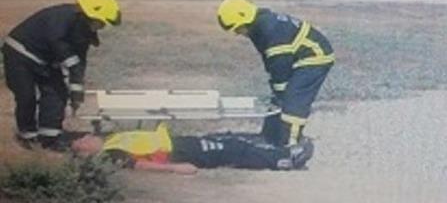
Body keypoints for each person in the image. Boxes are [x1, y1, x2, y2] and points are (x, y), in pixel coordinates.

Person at [2, 0, 121, 150]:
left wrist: (76, 90)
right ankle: (27, 136)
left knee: (57, 93)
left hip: (45, 62)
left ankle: (49, 138)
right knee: (26, 96)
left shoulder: (83, 29)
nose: (100, 27)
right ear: (88, 14)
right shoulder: (62, 16)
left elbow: (79, 61)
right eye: (99, 22)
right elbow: (56, 42)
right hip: (20, 54)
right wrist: (70, 63)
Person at [217, 0, 334, 147]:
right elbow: (269, 59)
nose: (239, 33)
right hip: (298, 55)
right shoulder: (258, 26)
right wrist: (277, 90)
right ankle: (270, 137)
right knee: (279, 97)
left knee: (294, 98)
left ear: (245, 19)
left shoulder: (269, 30)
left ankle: (291, 144)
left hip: (315, 57)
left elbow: (280, 65)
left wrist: (280, 90)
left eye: (238, 29)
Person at [70, 123, 313, 173]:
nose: (87, 137)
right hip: (180, 153)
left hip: (180, 143)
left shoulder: (112, 139)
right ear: (87, 153)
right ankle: (285, 160)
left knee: (229, 142)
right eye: (83, 142)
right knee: (229, 152)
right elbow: (141, 164)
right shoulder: (111, 154)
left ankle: (276, 152)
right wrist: (176, 169)